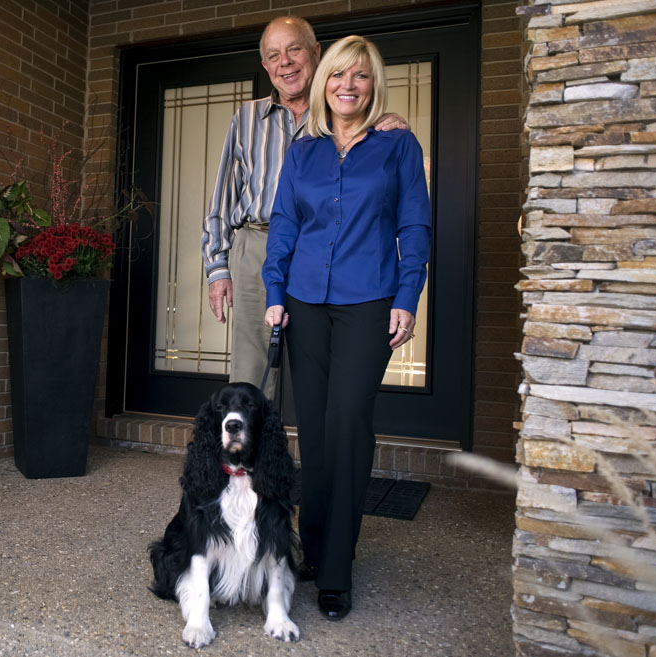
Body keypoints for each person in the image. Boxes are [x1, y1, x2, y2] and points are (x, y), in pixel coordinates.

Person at [262, 35, 431, 620]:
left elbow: (415, 223)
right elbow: (284, 222)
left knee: (348, 423)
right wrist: (275, 292)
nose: (347, 86)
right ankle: (313, 546)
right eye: (337, 76)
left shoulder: (397, 145)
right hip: (305, 300)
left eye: (359, 77)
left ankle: (337, 568)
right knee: (312, 428)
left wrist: (408, 295)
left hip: (368, 301)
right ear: (322, 82)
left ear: (372, 83)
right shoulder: (303, 151)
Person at [200, 16, 408, 399]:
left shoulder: (349, 113)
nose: (286, 62)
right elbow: (221, 200)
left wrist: (389, 125)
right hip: (258, 248)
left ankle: (314, 455)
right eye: (274, 55)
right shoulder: (245, 119)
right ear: (265, 65)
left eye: (294, 49)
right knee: (252, 375)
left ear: (316, 53)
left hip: (327, 249)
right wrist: (217, 269)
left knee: (323, 377)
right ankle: (249, 459)